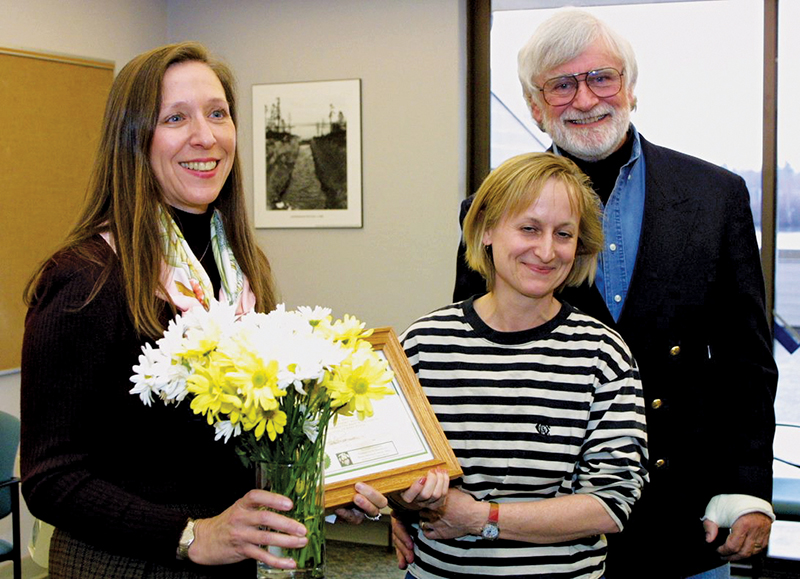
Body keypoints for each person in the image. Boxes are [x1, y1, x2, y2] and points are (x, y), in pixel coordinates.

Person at [20, 42, 385, 579]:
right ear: (133, 139)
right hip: (123, 565)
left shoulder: (239, 266)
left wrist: (315, 487)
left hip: (227, 562)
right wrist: (189, 534)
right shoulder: (86, 278)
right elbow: (51, 478)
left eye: (218, 114)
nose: (207, 136)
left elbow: (226, 444)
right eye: (176, 118)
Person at [452, 10, 778, 579]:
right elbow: (466, 365)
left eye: (601, 77)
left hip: (682, 515)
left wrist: (748, 488)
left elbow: (745, 359)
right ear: (535, 105)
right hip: (540, 526)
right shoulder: (490, 210)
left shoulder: (716, 195)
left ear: (630, 87)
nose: (585, 98)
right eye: (561, 84)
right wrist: (432, 497)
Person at [392, 152, 648, 578]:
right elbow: (396, 475)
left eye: (563, 234)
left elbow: (610, 505)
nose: (546, 251)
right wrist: (405, 499)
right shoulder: (423, 344)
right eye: (529, 228)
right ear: (487, 229)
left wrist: (480, 518)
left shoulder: (603, 353)